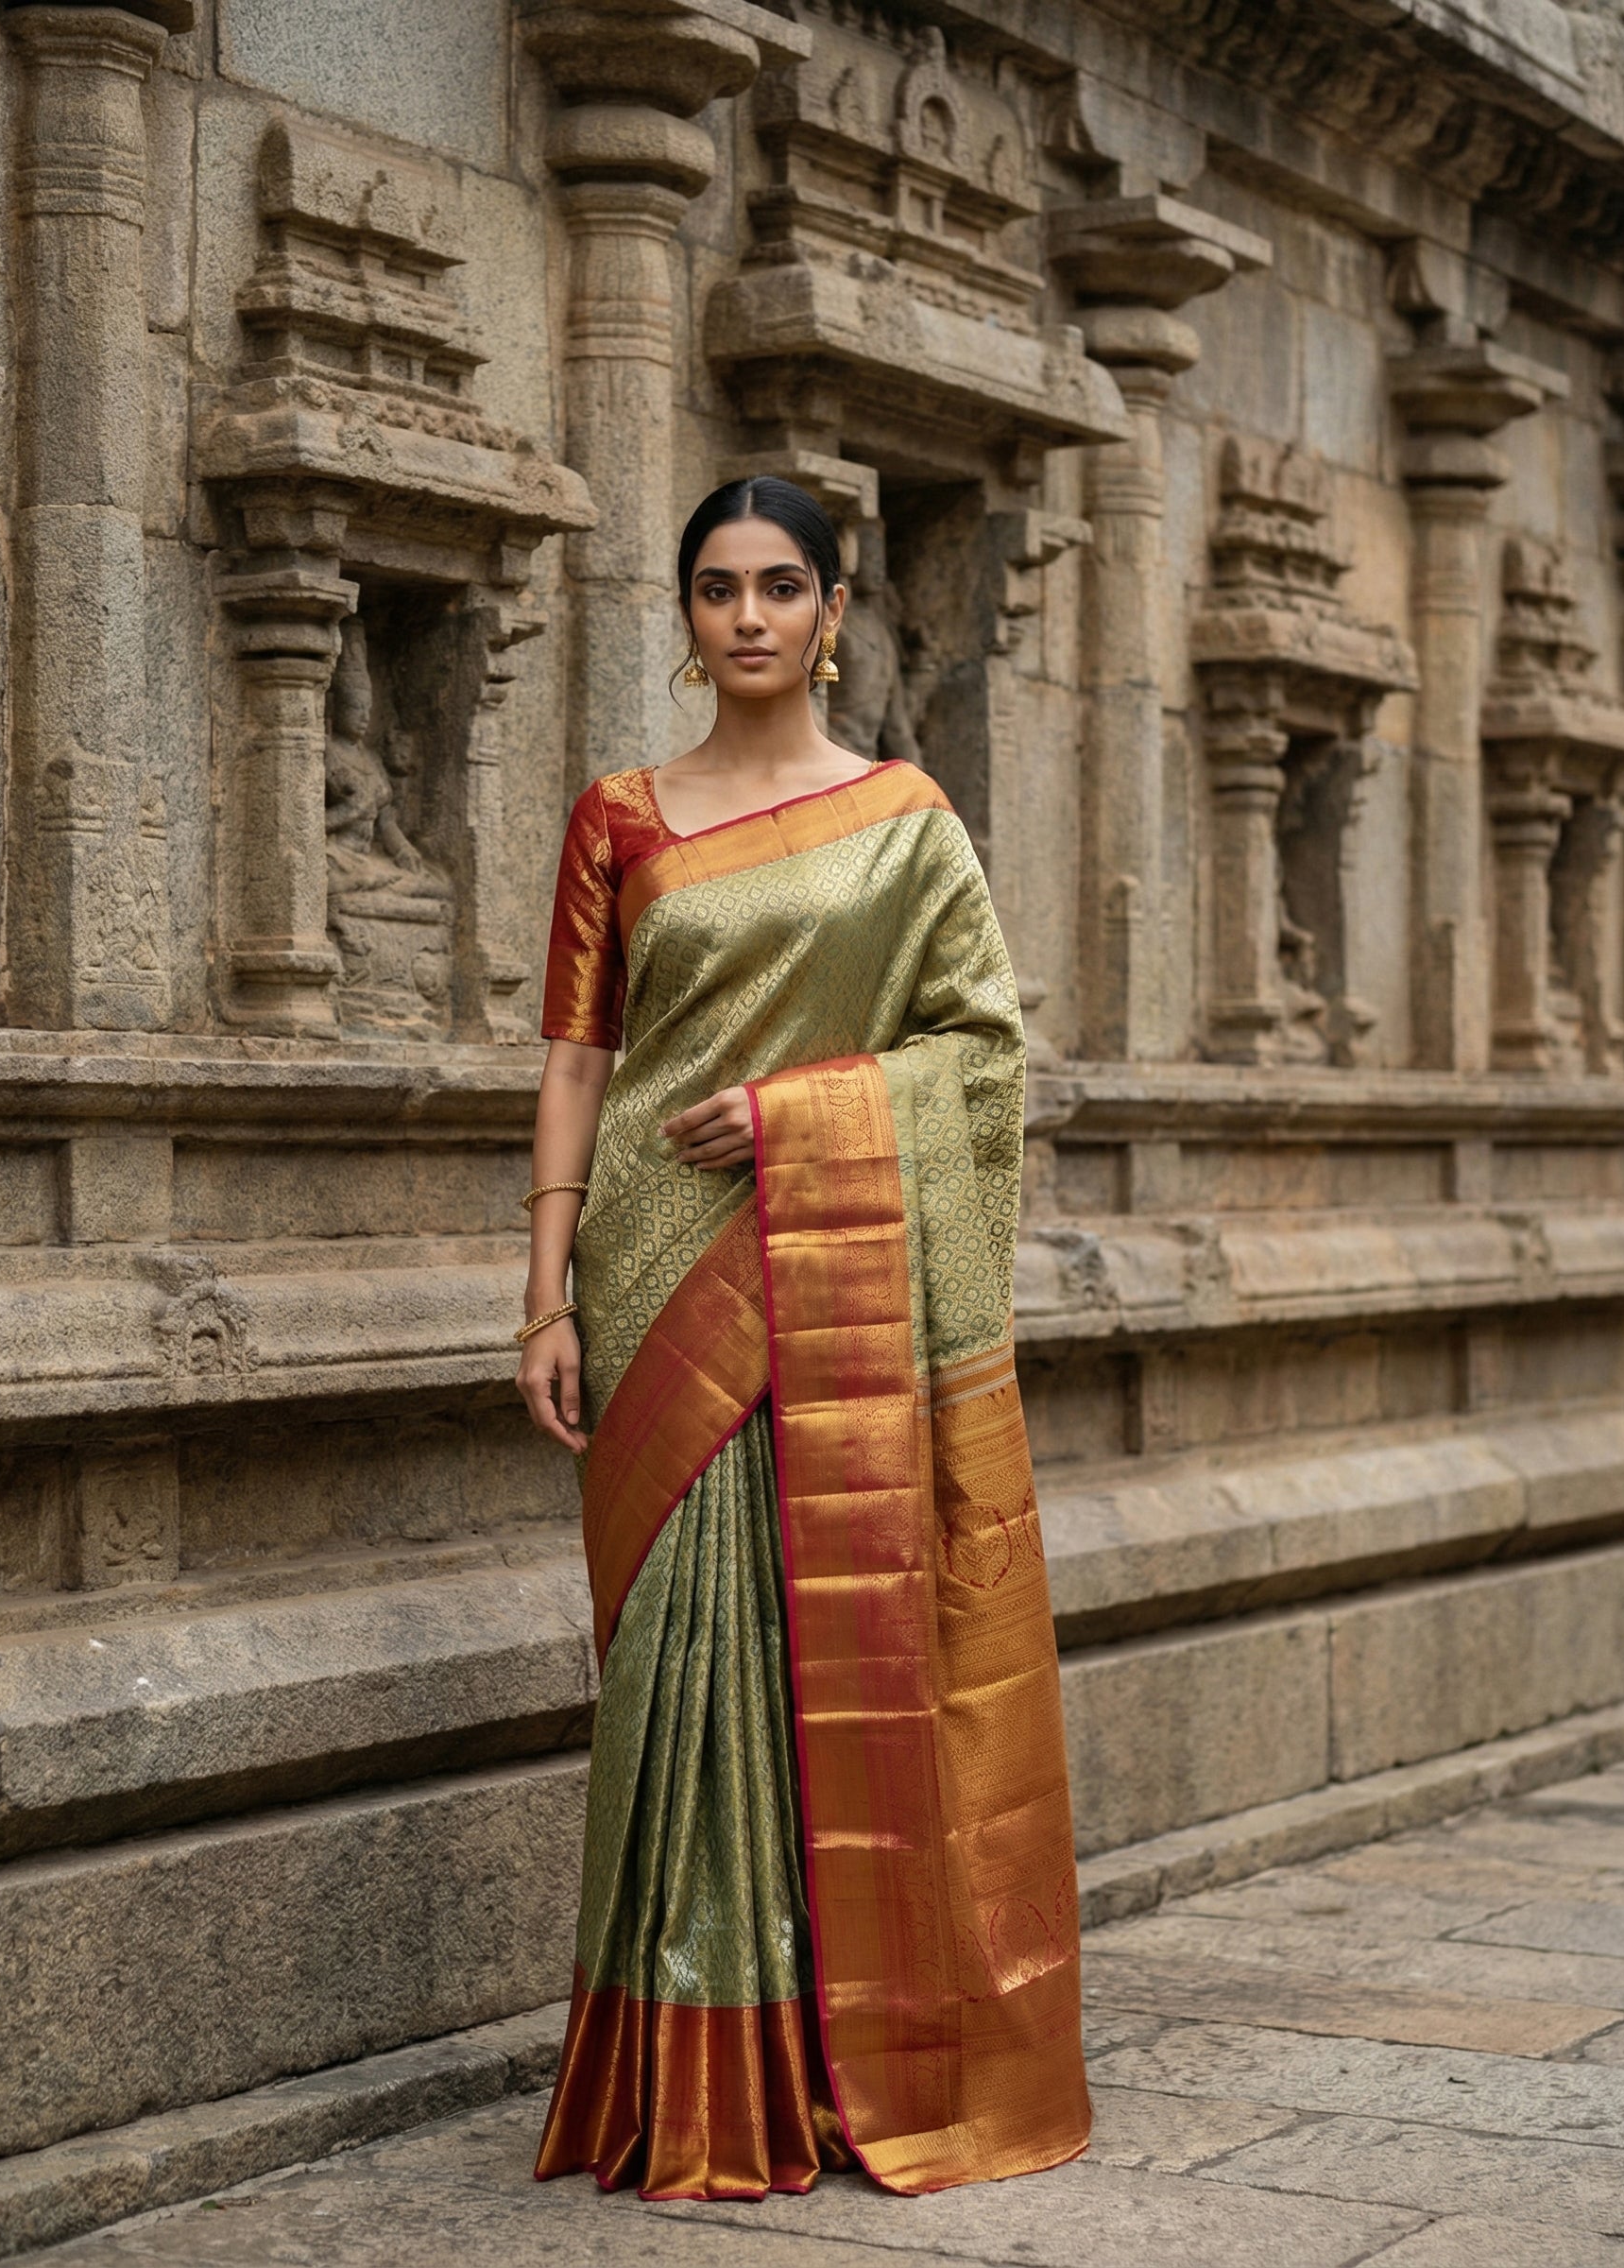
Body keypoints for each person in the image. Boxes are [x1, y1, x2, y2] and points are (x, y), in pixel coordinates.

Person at [519, 476, 1089, 2203]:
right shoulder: (620, 815)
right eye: (715, 589)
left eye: (781, 586)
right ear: (682, 615)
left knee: (819, 1629)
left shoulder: (907, 819)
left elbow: (983, 1056)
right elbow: (574, 1059)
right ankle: (691, 2061)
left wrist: (801, 1114)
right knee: (678, 1658)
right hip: (645, 1259)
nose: (748, 617)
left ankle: (825, 2061)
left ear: (835, 610)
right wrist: (542, 1290)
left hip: (822, 1254)